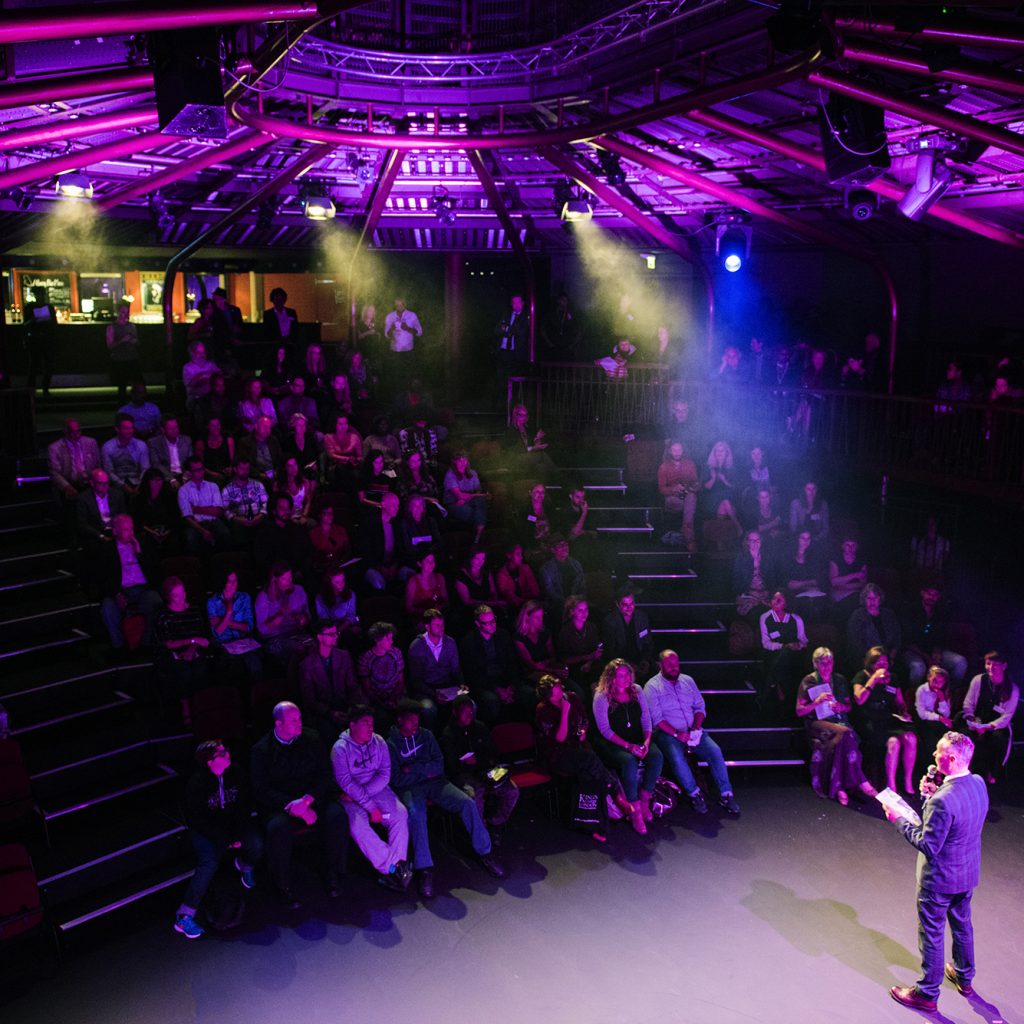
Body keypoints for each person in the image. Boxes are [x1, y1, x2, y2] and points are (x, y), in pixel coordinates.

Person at [884, 731, 989, 1014]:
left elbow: (928, 844)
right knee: (962, 925)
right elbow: (957, 820)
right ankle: (964, 978)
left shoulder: (943, 800)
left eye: (938, 752)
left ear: (951, 758)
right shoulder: (978, 783)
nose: (933, 755)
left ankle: (927, 993)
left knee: (931, 934)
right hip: (966, 873)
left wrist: (898, 820)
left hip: (939, 880)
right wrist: (932, 795)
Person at [387, 700, 506, 897]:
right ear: (400, 720)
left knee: (467, 803)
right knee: (416, 814)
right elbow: (398, 778)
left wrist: (415, 769)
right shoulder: (391, 743)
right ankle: (425, 868)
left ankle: (485, 852)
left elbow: (439, 766)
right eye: (410, 721)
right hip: (411, 788)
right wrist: (425, 771)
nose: (415, 725)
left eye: (417, 720)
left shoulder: (427, 735)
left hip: (436, 783)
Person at [250, 702, 349, 905]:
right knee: (278, 827)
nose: (299, 723)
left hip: (310, 797)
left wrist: (307, 800)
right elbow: (261, 790)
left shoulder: (312, 738)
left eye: (300, 718)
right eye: (294, 720)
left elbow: (324, 775)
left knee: (336, 815)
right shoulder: (261, 750)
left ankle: (333, 873)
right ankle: (282, 884)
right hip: (280, 804)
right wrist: (292, 806)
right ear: (279, 724)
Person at [174, 741, 262, 939]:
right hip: (206, 831)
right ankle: (184, 916)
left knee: (256, 844)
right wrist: (225, 839)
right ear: (210, 762)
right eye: (222, 753)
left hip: (232, 825)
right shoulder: (196, 785)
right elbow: (199, 820)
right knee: (209, 863)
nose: (228, 753)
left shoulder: (236, 773)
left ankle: (244, 866)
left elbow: (244, 806)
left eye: (226, 749)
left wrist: (237, 833)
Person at [534, 674, 633, 842]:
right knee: (589, 759)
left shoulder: (572, 697)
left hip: (579, 750)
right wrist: (565, 712)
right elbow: (560, 738)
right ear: (549, 694)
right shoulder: (543, 709)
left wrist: (583, 731)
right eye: (556, 688)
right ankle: (616, 795)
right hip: (558, 756)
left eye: (559, 685)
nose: (561, 688)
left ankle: (592, 825)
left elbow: (584, 720)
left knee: (590, 776)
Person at [645, 650, 741, 815]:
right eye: (669, 665)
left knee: (715, 751)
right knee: (676, 756)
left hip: (693, 730)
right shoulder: (652, 687)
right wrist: (677, 734)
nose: (674, 668)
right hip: (668, 733)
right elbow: (657, 720)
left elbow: (699, 707)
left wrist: (696, 726)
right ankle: (694, 794)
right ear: (660, 666)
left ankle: (726, 794)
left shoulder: (688, 680)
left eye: (676, 664)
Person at [331, 706, 412, 892]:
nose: (370, 728)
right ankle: (394, 867)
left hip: (376, 789)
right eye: (365, 724)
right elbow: (346, 782)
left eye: (372, 724)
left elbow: (384, 774)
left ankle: (393, 871)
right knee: (356, 826)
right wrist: (369, 805)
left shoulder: (379, 742)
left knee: (400, 814)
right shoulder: (340, 749)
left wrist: (368, 799)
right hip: (351, 796)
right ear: (352, 725)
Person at [795, 647, 877, 806]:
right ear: (816, 664)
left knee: (844, 739)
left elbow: (848, 706)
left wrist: (841, 707)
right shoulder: (809, 681)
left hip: (838, 720)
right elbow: (799, 711)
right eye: (823, 663)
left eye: (830, 662)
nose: (827, 666)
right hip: (817, 722)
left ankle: (839, 788)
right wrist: (816, 702)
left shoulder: (839, 679)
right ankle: (861, 781)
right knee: (846, 733)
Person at [591, 659, 663, 834]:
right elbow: (605, 730)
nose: (626, 678)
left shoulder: (637, 690)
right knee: (629, 762)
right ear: (611, 678)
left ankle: (645, 799)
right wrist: (629, 747)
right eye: (621, 675)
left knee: (656, 757)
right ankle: (635, 811)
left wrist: (646, 742)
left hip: (638, 738)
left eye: (628, 674)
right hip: (614, 742)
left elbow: (646, 719)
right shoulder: (601, 696)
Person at [441, 694, 520, 837]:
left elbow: (492, 752)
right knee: (474, 796)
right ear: (455, 712)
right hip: (464, 775)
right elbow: (451, 767)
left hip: (485, 770)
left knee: (511, 790)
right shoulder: (448, 735)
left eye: (471, 712)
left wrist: (482, 762)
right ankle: (481, 835)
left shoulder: (479, 727)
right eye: (465, 712)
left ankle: (495, 824)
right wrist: (465, 763)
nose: (469, 715)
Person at [851, 647, 917, 795]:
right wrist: (873, 679)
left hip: (888, 719)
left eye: (885, 662)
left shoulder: (893, 678)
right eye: (878, 662)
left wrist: (904, 712)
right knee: (894, 742)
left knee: (910, 738)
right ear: (871, 663)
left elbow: (900, 703)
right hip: (869, 721)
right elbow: (859, 699)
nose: (882, 665)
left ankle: (908, 780)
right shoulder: (862, 676)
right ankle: (891, 784)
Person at [97, 514, 163, 653]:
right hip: (121, 590)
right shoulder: (107, 549)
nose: (131, 533)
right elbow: (102, 578)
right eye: (126, 530)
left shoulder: (143, 543)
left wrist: (139, 552)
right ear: (115, 531)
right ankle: (119, 646)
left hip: (143, 589)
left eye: (131, 529)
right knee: (107, 608)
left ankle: (147, 643)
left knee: (155, 601)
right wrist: (116, 593)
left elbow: (155, 572)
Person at [459, 604, 532, 724]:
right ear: (478, 624)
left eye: (493, 620)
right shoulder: (469, 643)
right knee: (491, 700)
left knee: (529, 694)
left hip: (505, 682)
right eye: (487, 623)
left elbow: (512, 663)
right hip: (484, 685)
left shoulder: (503, 635)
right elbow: (473, 675)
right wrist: (497, 689)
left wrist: (511, 687)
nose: (493, 624)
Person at [155, 576, 211, 724]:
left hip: (194, 649)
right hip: (172, 651)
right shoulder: (164, 615)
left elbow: (201, 636)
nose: (182, 597)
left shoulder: (194, 610)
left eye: (183, 593)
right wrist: (190, 641)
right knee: (183, 670)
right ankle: (185, 707)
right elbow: (168, 643)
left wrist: (192, 648)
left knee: (200, 668)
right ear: (168, 597)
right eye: (176, 595)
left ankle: (200, 704)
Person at [960, 650, 1019, 783]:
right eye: (988, 663)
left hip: (996, 725)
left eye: (995, 664)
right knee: (964, 736)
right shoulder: (978, 680)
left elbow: (1007, 716)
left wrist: (987, 727)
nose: (991, 668)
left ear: (1004, 666)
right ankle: (965, 771)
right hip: (977, 720)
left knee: (998, 739)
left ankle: (991, 773)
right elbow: (968, 704)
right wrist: (972, 720)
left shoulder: (1012, 689)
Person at [298, 619, 358, 745]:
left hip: (345, 706)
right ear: (319, 637)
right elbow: (309, 699)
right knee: (328, 733)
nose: (336, 637)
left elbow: (352, 686)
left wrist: (352, 708)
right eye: (331, 634)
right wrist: (330, 713)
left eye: (336, 633)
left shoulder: (344, 656)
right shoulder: (307, 665)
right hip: (323, 713)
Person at [900, 584, 968, 690]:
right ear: (922, 593)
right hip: (912, 651)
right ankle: (915, 698)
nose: (932, 597)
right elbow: (907, 640)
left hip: (933, 651)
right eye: (929, 593)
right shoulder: (910, 609)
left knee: (960, 662)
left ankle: (949, 695)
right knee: (919, 667)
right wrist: (926, 657)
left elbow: (941, 636)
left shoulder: (941, 612)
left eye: (935, 595)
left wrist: (937, 651)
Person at [406, 609, 464, 727]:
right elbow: (416, 680)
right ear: (427, 627)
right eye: (437, 625)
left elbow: (456, 670)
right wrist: (433, 694)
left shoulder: (450, 642)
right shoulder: (417, 646)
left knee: (469, 705)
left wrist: (462, 686)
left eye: (442, 624)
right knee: (429, 710)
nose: (441, 628)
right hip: (426, 691)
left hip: (447, 687)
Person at [206, 568, 261, 687]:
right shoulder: (212, 602)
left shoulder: (244, 597)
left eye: (235, 580)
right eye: (229, 581)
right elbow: (218, 633)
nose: (233, 584)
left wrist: (225, 620)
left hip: (243, 641)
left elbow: (248, 627)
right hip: (223, 643)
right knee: (232, 665)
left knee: (254, 663)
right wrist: (229, 611)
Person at [255, 561, 312, 665]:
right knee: (299, 651)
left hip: (296, 634)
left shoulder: (299, 590)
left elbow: (307, 616)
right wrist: (280, 615)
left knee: (317, 647)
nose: (289, 581)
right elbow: (262, 630)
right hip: (274, 638)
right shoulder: (264, 597)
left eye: (290, 577)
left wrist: (303, 619)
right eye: (284, 579)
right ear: (275, 579)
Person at [758, 590, 809, 708]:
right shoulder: (765, 618)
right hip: (773, 654)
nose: (775, 602)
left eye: (779, 600)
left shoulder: (796, 619)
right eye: (773, 599)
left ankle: (772, 684)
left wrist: (798, 645)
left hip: (793, 655)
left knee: (789, 655)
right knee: (783, 654)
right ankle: (777, 686)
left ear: (786, 602)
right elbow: (765, 643)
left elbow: (804, 640)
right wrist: (783, 646)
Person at [254, 493, 313, 584]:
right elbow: (262, 561)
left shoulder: (298, 530)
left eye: (288, 508)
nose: (287, 511)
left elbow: (308, 553)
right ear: (274, 511)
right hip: (274, 580)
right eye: (282, 508)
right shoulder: (264, 533)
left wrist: (300, 572)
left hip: (297, 578)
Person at [357, 622, 406, 728]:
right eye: (388, 639)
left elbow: (401, 681)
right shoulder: (366, 658)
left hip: (396, 696)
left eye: (391, 638)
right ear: (377, 640)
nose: (392, 641)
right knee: (382, 717)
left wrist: (392, 699)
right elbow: (367, 688)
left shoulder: (397, 652)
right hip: (375, 701)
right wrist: (382, 703)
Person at [177, 457, 229, 554]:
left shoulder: (213, 486)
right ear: (189, 472)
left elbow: (218, 511)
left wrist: (195, 509)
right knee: (190, 539)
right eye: (196, 470)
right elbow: (187, 517)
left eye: (201, 469)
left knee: (225, 534)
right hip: (195, 524)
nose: (200, 472)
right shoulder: (183, 490)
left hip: (213, 521)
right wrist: (203, 531)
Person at [602, 587, 654, 679]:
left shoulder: (642, 617)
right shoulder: (610, 622)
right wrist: (628, 665)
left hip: (640, 659)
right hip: (619, 662)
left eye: (631, 603)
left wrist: (645, 660)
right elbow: (610, 652)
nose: (629, 607)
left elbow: (648, 642)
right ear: (617, 604)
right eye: (625, 604)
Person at [846, 583, 902, 665]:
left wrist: (892, 655)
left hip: (889, 656)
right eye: (869, 598)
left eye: (875, 598)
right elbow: (855, 642)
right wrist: (875, 659)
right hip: (868, 658)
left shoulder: (888, 614)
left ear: (880, 599)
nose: (872, 601)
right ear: (864, 599)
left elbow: (897, 636)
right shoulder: (857, 616)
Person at [48, 419, 100, 505]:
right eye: (73, 432)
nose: (77, 435)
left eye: (78, 431)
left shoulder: (91, 443)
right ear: (65, 432)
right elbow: (54, 473)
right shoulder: (55, 448)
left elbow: (98, 464)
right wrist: (67, 487)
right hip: (69, 483)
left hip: (89, 483)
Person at [658, 441, 699, 551]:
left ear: (683, 450)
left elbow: (696, 482)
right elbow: (662, 489)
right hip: (672, 499)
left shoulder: (690, 464)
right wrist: (674, 489)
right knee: (691, 500)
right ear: (670, 451)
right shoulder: (664, 466)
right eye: (674, 450)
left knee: (690, 497)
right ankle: (689, 536)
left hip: (687, 495)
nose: (677, 453)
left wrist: (692, 487)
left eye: (679, 450)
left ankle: (687, 533)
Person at [221, 458, 267, 549]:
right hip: (239, 522)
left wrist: (260, 516)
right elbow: (225, 510)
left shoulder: (258, 485)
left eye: (247, 469)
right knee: (238, 533)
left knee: (266, 530)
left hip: (259, 518)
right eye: (242, 469)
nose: (245, 472)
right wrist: (238, 519)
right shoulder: (227, 489)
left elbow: (266, 503)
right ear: (235, 469)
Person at [443, 451, 488, 542]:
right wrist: (474, 496)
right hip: (454, 503)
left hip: (470, 501)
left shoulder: (473, 473)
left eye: (465, 460)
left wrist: (470, 497)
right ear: (454, 462)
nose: (463, 463)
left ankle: (476, 537)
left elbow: (478, 490)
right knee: (474, 512)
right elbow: (459, 496)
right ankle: (479, 534)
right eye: (460, 461)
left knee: (480, 501)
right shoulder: (450, 475)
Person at [77, 467, 126, 548]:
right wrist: (100, 536)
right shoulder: (83, 499)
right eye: (101, 483)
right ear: (92, 483)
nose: (105, 486)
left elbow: (123, 515)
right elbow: (83, 524)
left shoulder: (117, 495)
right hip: (95, 533)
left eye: (106, 483)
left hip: (115, 531)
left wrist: (118, 531)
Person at [102, 413, 149, 496]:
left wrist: (140, 485)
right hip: (116, 484)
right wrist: (122, 485)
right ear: (117, 429)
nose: (130, 431)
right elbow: (109, 472)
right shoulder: (107, 447)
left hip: (138, 481)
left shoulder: (141, 445)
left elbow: (145, 468)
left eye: (131, 428)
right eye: (126, 428)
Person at [915, 666, 956, 757]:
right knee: (931, 739)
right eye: (935, 681)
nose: (937, 685)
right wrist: (939, 718)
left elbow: (947, 714)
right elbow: (922, 714)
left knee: (949, 736)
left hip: (938, 722)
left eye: (941, 682)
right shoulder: (922, 690)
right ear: (929, 677)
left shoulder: (944, 692)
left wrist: (942, 700)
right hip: (924, 721)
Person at [26, 285, 58, 396]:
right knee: (36, 365)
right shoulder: (46, 307)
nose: (40, 297)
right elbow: (26, 324)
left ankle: (38, 389)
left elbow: (54, 323)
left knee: (41, 365)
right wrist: (35, 321)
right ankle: (39, 389)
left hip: (39, 338)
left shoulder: (31, 307)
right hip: (41, 339)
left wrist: (34, 321)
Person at [733, 529, 773, 620]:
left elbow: (772, 578)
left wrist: (768, 591)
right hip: (747, 593)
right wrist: (749, 591)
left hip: (765, 593)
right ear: (747, 542)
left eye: (757, 540)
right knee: (752, 613)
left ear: (761, 541)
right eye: (752, 541)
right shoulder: (741, 557)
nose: (755, 543)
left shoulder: (767, 556)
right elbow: (736, 581)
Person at [829, 535, 868, 624]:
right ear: (842, 546)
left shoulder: (861, 562)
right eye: (847, 545)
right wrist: (855, 575)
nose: (850, 548)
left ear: (857, 547)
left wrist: (843, 584)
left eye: (853, 545)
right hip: (838, 593)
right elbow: (833, 582)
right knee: (852, 603)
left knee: (856, 600)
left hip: (855, 592)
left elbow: (863, 584)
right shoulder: (835, 560)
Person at [538, 534, 585, 608]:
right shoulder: (546, 569)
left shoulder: (576, 564)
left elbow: (582, 586)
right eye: (560, 545)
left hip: (576, 603)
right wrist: (566, 602)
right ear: (552, 550)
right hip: (556, 605)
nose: (565, 547)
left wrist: (577, 599)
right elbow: (550, 593)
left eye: (566, 544)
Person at [105, 303, 140, 402]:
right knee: (122, 386)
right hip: (119, 360)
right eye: (123, 312)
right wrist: (122, 340)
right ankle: (122, 407)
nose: (125, 314)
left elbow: (138, 342)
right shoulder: (112, 327)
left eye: (127, 312)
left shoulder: (132, 326)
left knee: (137, 383)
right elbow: (109, 345)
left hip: (132, 358)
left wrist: (134, 341)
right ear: (118, 312)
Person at [235, 414, 283, 486]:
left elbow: (280, 459)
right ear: (256, 426)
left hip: (274, 475)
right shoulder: (245, 442)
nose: (267, 430)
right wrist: (260, 475)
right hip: (256, 476)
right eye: (264, 427)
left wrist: (277, 472)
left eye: (269, 427)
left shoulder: (273, 440)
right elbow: (243, 465)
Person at [403, 549, 449, 623]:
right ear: (419, 563)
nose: (431, 564)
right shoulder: (413, 582)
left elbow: (445, 600)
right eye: (427, 561)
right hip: (420, 620)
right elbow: (408, 608)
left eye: (433, 561)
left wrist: (439, 608)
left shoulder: (440, 577)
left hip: (439, 617)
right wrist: (426, 612)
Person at [147, 416, 192, 489]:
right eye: (171, 428)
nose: (175, 430)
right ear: (163, 430)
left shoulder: (186, 440)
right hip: (166, 475)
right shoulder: (154, 443)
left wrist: (186, 476)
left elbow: (190, 461)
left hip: (184, 474)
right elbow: (156, 464)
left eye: (176, 427)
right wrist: (171, 479)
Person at [315, 568, 360, 640]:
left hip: (345, 626)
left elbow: (351, 615)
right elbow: (324, 620)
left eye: (343, 581)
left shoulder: (350, 594)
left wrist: (340, 629)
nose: (342, 584)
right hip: (330, 629)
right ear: (329, 583)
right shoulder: (320, 598)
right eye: (337, 582)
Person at [495, 542, 540, 612]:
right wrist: (528, 603)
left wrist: (535, 602)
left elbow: (535, 589)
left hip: (532, 605)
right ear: (509, 555)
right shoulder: (502, 575)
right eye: (518, 554)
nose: (521, 557)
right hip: (514, 610)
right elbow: (511, 598)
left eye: (521, 554)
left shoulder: (526, 568)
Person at [193, 414, 234, 484]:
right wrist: (214, 474)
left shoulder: (228, 440)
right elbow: (200, 466)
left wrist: (230, 468)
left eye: (218, 425)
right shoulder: (201, 443)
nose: (216, 428)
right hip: (209, 476)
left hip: (226, 475)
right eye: (213, 426)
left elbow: (232, 462)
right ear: (208, 427)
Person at [182, 341, 218, 412]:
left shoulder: (210, 364)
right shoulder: (188, 367)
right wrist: (202, 377)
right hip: (196, 401)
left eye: (203, 352)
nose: (202, 355)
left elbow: (219, 375)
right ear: (192, 354)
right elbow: (191, 385)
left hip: (211, 400)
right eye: (199, 353)